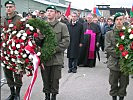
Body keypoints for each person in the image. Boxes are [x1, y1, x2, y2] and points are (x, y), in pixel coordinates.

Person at [40, 5, 70, 100]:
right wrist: (38, 38)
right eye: (47, 11)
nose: (49, 12)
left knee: (55, 79)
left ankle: (53, 96)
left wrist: (54, 49)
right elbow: (37, 42)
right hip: (45, 58)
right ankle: (46, 96)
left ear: (56, 13)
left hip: (56, 58)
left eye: (51, 11)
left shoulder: (62, 26)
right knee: (45, 78)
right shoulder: (42, 25)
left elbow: (66, 40)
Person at [105, 12, 129, 100]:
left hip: (125, 63)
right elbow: (108, 47)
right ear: (114, 21)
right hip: (113, 62)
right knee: (113, 83)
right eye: (117, 20)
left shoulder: (128, 34)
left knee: (124, 83)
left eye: (121, 19)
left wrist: (127, 54)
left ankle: (121, 98)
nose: (119, 21)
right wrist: (121, 54)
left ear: (124, 20)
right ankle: (114, 98)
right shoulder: (109, 34)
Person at [3, 0, 22, 100]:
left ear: (14, 8)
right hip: (5, 52)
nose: (8, 8)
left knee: (17, 73)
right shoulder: (2, 20)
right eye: (7, 7)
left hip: (16, 52)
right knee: (7, 73)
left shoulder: (19, 19)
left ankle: (18, 94)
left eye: (10, 6)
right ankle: (12, 93)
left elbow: (24, 34)